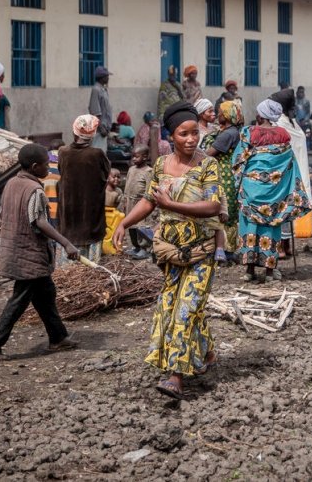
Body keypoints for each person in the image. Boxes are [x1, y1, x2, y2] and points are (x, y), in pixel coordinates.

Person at [111, 101, 222, 400]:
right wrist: (125, 222)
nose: (190, 139)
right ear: (171, 136)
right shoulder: (161, 165)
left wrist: (172, 205)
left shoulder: (207, 165)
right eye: (183, 134)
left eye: (194, 133)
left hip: (201, 251)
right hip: (170, 252)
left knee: (184, 310)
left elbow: (213, 205)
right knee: (172, 306)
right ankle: (207, 353)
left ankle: (175, 375)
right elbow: (149, 200)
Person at [0, 143, 80, 360]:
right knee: (19, 300)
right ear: (35, 167)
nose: (49, 168)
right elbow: (40, 222)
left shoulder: (11, 183)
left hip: (14, 248)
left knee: (46, 294)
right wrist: (66, 243)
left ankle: (58, 337)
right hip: (29, 253)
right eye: (46, 165)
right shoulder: (35, 190)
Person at [233, 99, 310, 283]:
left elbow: (238, 160)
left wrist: (240, 181)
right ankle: (269, 272)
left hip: (252, 189)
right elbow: (289, 161)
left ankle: (249, 270)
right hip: (275, 191)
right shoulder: (283, 134)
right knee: (271, 227)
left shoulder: (249, 133)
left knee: (250, 227)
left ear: (259, 116)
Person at [57, 114, 111, 262]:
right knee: (90, 269)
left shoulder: (63, 152)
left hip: (69, 213)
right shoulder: (97, 154)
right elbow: (106, 175)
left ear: (74, 132)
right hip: (91, 215)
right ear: (93, 135)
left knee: (67, 269)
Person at [272, 88, 312, 260]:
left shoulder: (280, 123)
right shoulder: (291, 121)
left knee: (280, 210)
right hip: (295, 171)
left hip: (285, 171)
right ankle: (286, 247)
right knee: (287, 210)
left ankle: (281, 247)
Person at [207, 100, 244, 254]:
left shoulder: (228, 134)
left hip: (225, 175)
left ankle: (226, 249)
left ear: (227, 116)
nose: (218, 115)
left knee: (225, 210)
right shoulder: (235, 131)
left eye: (221, 112)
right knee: (231, 211)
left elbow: (208, 154)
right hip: (231, 175)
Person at [88, 66, 113, 151]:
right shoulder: (96, 90)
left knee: (102, 153)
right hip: (99, 130)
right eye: (107, 76)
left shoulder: (103, 89)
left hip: (104, 128)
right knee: (97, 152)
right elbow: (95, 111)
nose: (108, 78)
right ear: (102, 78)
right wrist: (101, 127)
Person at [122, 145, 152, 214]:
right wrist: (124, 200)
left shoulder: (148, 171)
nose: (133, 159)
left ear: (144, 157)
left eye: (136, 157)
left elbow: (148, 192)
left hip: (139, 203)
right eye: (133, 156)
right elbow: (126, 187)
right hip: (129, 202)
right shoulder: (131, 169)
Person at [102, 168, 125, 255]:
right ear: (107, 177)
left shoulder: (119, 191)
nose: (116, 179)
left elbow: (119, 205)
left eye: (118, 177)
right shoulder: (103, 189)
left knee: (114, 231)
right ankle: (103, 248)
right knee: (105, 232)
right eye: (114, 177)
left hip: (114, 214)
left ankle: (114, 247)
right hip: (103, 214)